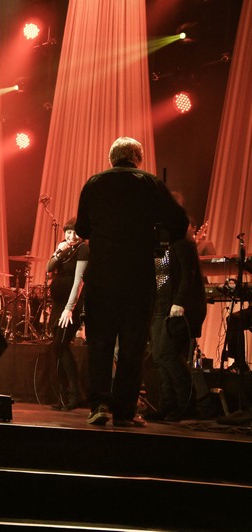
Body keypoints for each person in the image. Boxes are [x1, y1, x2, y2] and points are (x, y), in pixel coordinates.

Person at [75, 137, 188, 427]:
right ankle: (124, 412)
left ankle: (98, 405)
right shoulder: (151, 183)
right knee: (133, 345)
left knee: (100, 343)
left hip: (101, 276)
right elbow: (180, 222)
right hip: (137, 276)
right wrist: (159, 237)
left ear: (111, 159)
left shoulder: (94, 183)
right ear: (138, 158)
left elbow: (82, 228)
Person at [149, 235, 206, 421]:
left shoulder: (181, 241)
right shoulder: (157, 242)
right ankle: (168, 404)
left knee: (168, 353)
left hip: (175, 306)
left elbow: (187, 274)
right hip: (159, 306)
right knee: (158, 355)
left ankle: (186, 404)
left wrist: (180, 301)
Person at [46, 218, 89, 411]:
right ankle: (64, 396)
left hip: (70, 306)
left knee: (60, 346)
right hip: (58, 306)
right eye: (68, 232)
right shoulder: (65, 250)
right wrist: (58, 252)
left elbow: (78, 281)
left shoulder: (83, 249)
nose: (71, 236)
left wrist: (69, 308)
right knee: (57, 349)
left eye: (75, 232)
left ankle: (76, 394)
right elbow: (48, 267)